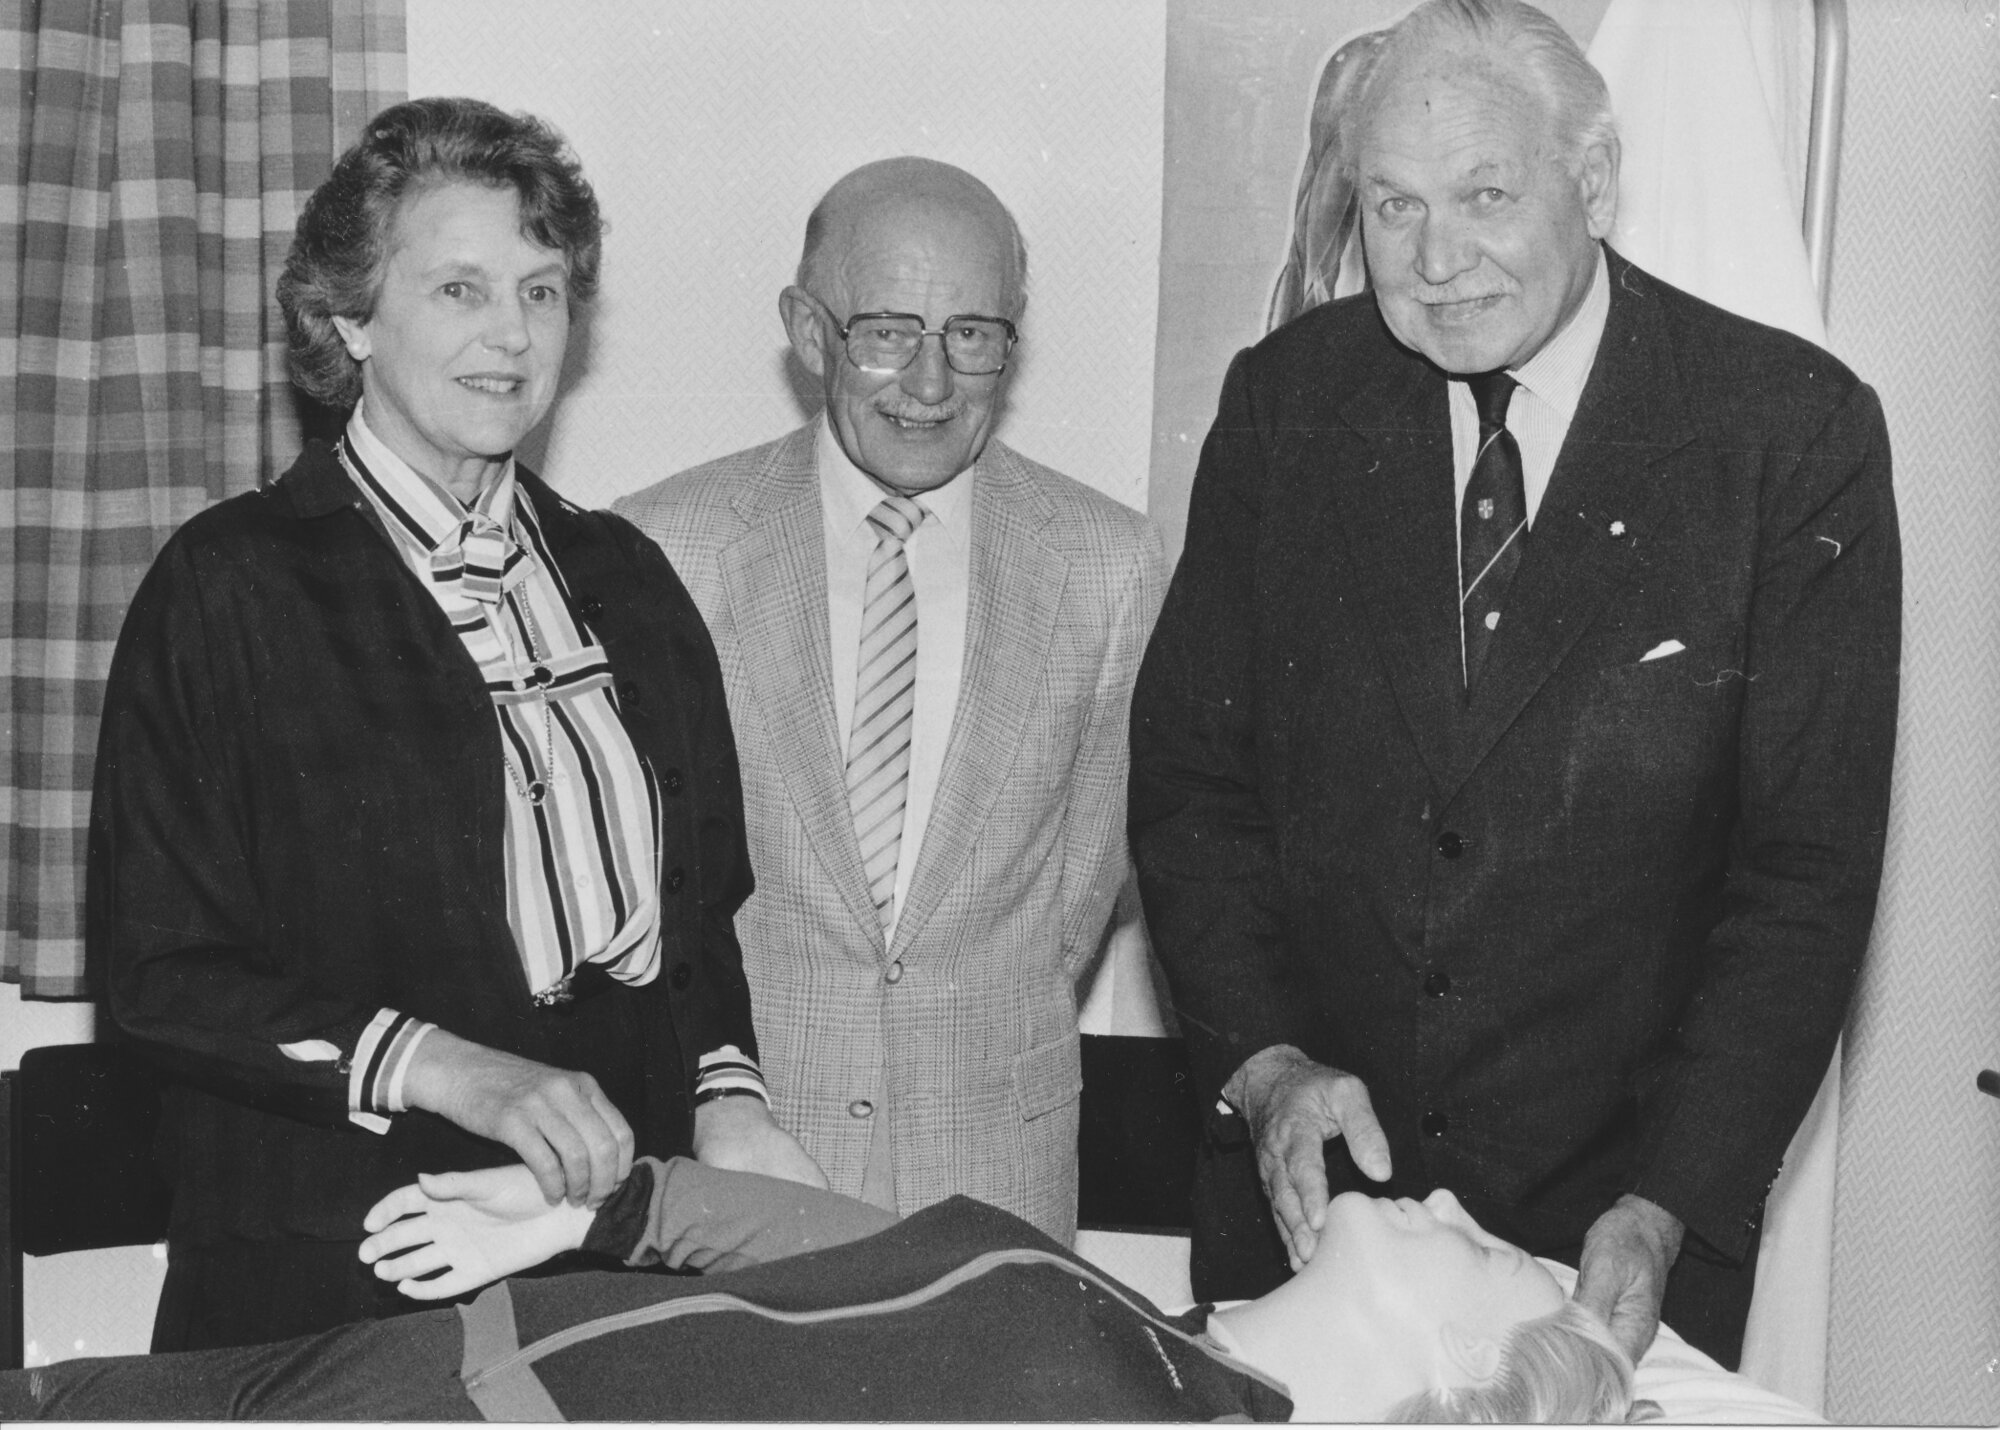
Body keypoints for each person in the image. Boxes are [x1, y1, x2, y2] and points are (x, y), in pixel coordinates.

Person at [1129, 0, 1899, 1370]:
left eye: (1485, 196)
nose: (1435, 261)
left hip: (1618, 1229)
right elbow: (1192, 788)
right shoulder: (1287, 403)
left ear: (1592, 183)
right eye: (1393, 205)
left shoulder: (1788, 432)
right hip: (1314, 1222)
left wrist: (1668, 1201)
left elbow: (1804, 878)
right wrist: (1267, 1064)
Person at [85, 96, 818, 1354]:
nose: (512, 334)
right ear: (349, 318)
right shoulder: (230, 584)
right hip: (341, 1260)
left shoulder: (626, 577)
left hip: (599, 1244)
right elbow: (162, 975)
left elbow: (698, 917)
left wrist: (727, 1098)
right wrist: (458, 1068)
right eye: (459, 290)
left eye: (541, 291)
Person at [614, 157, 1166, 1241]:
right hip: (746, 1162)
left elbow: (1079, 893)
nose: (930, 383)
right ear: (808, 333)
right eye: (886, 333)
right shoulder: (666, 546)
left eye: (971, 334)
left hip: (998, 1166)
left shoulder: (1107, 563)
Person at [0, 1159, 1637, 1422]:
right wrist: (594, 1202)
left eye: (1488, 1248)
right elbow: (841, 1240)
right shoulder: (1158, 1336)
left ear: (1459, 1370)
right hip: (435, 1351)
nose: (1446, 1199)